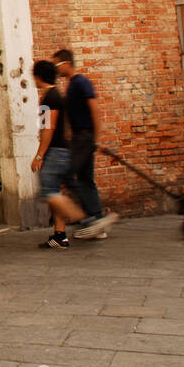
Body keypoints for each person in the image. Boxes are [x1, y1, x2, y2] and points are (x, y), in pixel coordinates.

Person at [52, 48, 118, 240]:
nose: (57, 70)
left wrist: (95, 140)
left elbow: (95, 110)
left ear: (66, 63)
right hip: (79, 138)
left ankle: (94, 218)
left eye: (57, 65)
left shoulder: (81, 82)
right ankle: (98, 221)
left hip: (84, 138)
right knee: (86, 178)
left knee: (68, 174)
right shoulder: (72, 85)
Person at [32, 60, 86, 248]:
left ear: (38, 76)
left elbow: (48, 128)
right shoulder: (56, 96)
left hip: (55, 152)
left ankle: (83, 217)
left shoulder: (50, 98)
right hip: (62, 151)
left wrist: (39, 155)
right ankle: (60, 235)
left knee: (48, 193)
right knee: (54, 191)